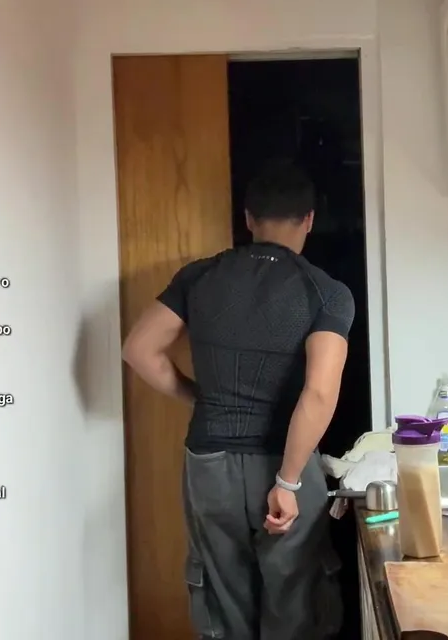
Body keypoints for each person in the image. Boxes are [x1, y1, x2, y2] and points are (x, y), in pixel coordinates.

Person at [121, 163, 354, 640]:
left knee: (222, 599)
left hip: (210, 462)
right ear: (309, 220)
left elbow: (139, 350)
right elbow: (319, 392)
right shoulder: (326, 293)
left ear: (248, 218)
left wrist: (197, 397)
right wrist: (287, 481)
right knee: (294, 601)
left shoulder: (199, 277)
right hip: (284, 460)